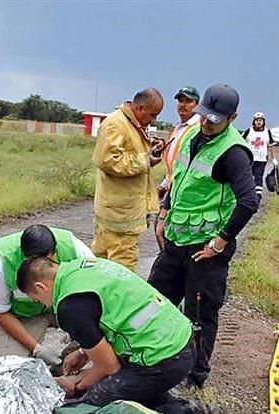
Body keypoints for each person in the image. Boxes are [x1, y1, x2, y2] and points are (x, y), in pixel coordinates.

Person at [16, 256, 225, 414]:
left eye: (38, 300)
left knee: (92, 405)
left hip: (163, 358)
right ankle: (188, 410)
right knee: (130, 388)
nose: (43, 305)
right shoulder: (83, 266)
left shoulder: (68, 306)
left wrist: (76, 385)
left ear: (41, 287)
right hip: (181, 338)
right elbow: (108, 314)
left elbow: (109, 367)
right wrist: (83, 352)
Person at [150, 84, 259, 388]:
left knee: (199, 314)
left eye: (215, 120)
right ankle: (151, 358)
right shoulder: (191, 136)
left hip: (204, 249)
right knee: (155, 301)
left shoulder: (233, 153)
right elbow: (178, 178)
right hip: (175, 239)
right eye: (204, 117)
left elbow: (249, 202)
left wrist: (220, 242)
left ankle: (194, 378)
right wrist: (163, 213)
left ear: (232, 118)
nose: (207, 124)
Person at [0, 224, 93, 364]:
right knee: (9, 364)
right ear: (23, 254)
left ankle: (77, 353)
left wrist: (82, 330)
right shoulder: (3, 261)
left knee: (98, 342)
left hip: (64, 309)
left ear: (55, 252)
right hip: (22, 317)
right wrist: (36, 349)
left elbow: (98, 293)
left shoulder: (75, 249)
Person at [91, 88, 165, 272]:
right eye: (152, 114)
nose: (153, 120)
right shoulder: (115, 124)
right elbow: (108, 160)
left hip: (119, 212)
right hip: (120, 218)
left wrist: (150, 148)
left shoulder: (131, 124)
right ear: (139, 108)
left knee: (101, 267)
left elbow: (130, 150)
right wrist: (145, 160)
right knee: (122, 272)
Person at [156, 86, 202, 242]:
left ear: (197, 104)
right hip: (172, 184)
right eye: (181, 101)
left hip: (184, 190)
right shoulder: (179, 127)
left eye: (188, 101)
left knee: (168, 231)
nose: (183, 105)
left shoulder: (198, 128)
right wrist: (165, 182)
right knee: (162, 230)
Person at [241, 111, 277, 203]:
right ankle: (246, 194)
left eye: (260, 120)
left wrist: (273, 158)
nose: (258, 122)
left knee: (258, 177)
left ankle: (257, 196)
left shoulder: (267, 132)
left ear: (263, 121)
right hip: (249, 159)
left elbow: (271, 145)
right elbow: (240, 141)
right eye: (257, 120)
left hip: (261, 159)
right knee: (247, 177)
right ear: (253, 121)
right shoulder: (249, 131)